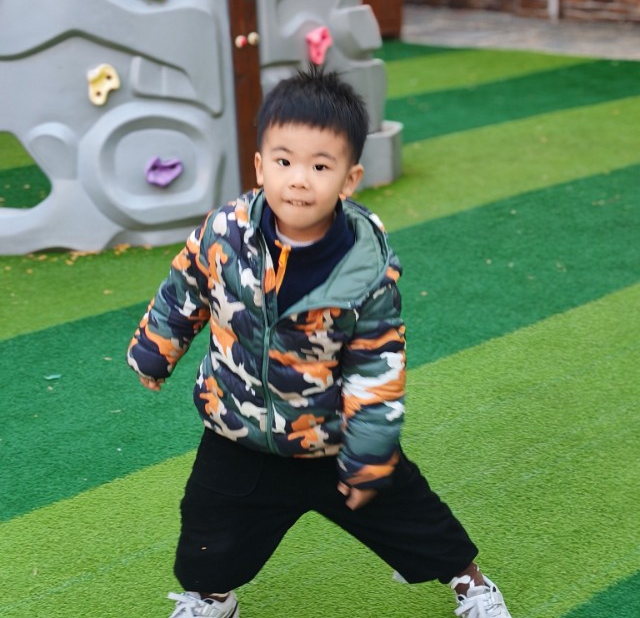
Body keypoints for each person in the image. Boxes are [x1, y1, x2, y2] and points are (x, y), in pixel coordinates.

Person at [127, 66, 513, 618]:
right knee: (208, 537)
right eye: (284, 162)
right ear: (260, 166)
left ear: (349, 180)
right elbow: (185, 286)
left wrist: (370, 453)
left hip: (333, 438)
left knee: (413, 519)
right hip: (238, 430)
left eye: (320, 166)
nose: (299, 180)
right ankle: (211, 597)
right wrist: (155, 348)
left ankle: (468, 582)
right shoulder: (224, 232)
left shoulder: (364, 268)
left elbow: (377, 363)